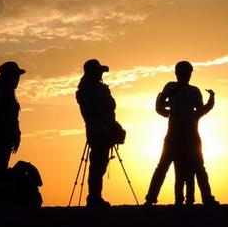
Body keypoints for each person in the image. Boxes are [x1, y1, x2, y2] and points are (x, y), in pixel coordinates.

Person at [144, 61, 219, 206]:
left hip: (179, 132)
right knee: (197, 168)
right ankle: (207, 199)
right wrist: (179, 113)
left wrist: (171, 113)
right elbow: (201, 110)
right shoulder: (190, 90)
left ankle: (150, 199)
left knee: (164, 167)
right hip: (186, 133)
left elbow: (159, 106)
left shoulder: (174, 88)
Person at [75, 59, 126, 207]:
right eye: (99, 71)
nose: (101, 74)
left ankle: (94, 196)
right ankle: (94, 197)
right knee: (99, 165)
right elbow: (107, 108)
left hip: (93, 131)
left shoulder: (83, 90)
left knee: (97, 165)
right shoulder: (97, 89)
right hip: (102, 131)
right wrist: (114, 126)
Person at [0, 61, 25, 178]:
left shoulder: (6, 92)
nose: (17, 79)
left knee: (0, 167)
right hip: (0, 136)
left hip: (5, 137)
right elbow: (4, 117)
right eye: (15, 76)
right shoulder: (1, 93)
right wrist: (13, 134)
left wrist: (16, 134)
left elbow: (13, 118)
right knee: (0, 168)